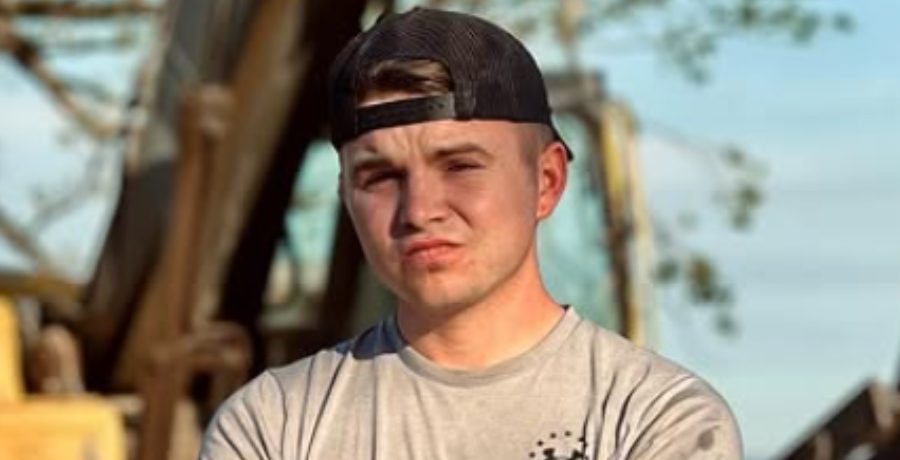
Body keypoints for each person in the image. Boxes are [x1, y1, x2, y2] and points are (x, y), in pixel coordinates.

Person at [200, 7, 742, 460]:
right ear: (346, 195)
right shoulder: (274, 425)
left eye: (459, 166)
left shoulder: (656, 419)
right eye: (381, 177)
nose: (420, 210)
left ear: (547, 181)